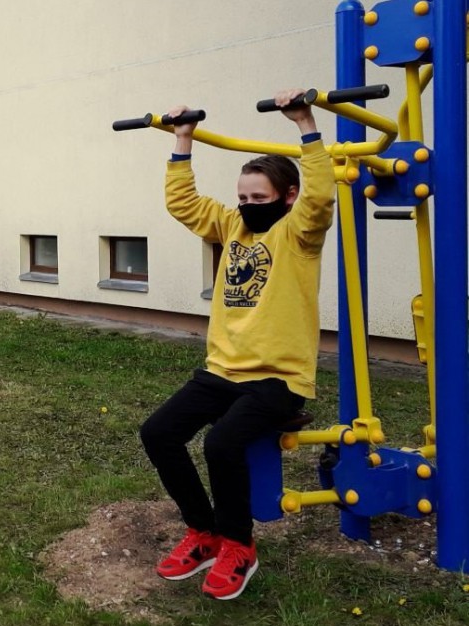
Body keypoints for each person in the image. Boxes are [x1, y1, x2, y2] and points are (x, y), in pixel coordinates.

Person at [139, 89, 335, 600]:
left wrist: (305, 124)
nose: (247, 206)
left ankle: (238, 546)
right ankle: (203, 532)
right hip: (224, 371)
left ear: (286, 197)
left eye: (259, 198)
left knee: (221, 443)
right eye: (243, 197)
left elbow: (319, 197)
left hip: (278, 378)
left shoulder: (298, 233)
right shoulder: (231, 225)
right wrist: (183, 139)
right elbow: (183, 203)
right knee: (158, 433)